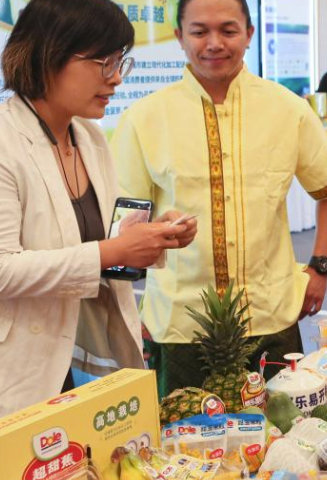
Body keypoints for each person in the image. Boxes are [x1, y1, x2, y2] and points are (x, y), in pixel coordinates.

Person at [111, 0, 327, 395]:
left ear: (249, 35)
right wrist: (127, 309)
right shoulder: (145, 118)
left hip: (271, 315)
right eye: (200, 31)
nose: (214, 43)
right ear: (179, 36)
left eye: (229, 30)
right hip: (180, 323)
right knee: (184, 450)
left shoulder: (287, 109)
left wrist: (319, 265)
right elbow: (124, 226)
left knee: (282, 443)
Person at [0, 0, 196, 415]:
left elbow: (100, 242)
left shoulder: (89, 137)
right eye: (103, 63)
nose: (116, 80)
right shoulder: (6, 142)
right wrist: (113, 252)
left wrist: (153, 236)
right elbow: (4, 269)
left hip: (84, 358)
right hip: (21, 366)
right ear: (48, 54)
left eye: (120, 63)